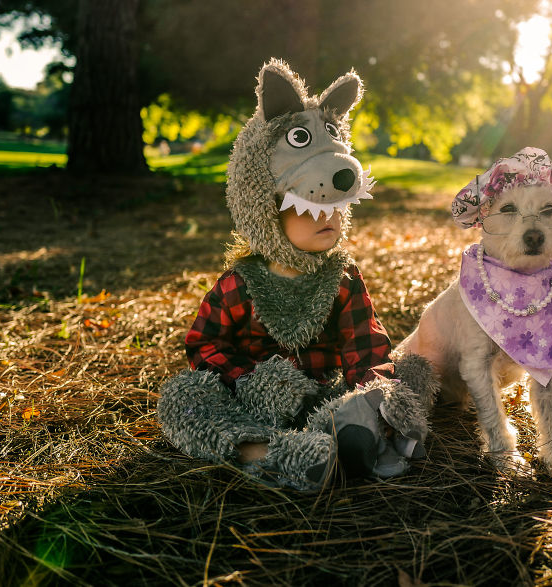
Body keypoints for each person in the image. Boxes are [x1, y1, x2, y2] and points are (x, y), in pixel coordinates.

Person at [156, 59, 437, 491]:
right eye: (312, 210)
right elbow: (205, 343)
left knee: (406, 373)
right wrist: (251, 382)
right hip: (251, 404)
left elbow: (365, 343)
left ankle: (359, 429)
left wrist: (374, 388)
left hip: (323, 396)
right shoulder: (240, 283)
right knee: (183, 399)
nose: (330, 220)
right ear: (266, 212)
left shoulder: (341, 277)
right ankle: (269, 454)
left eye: (335, 210)